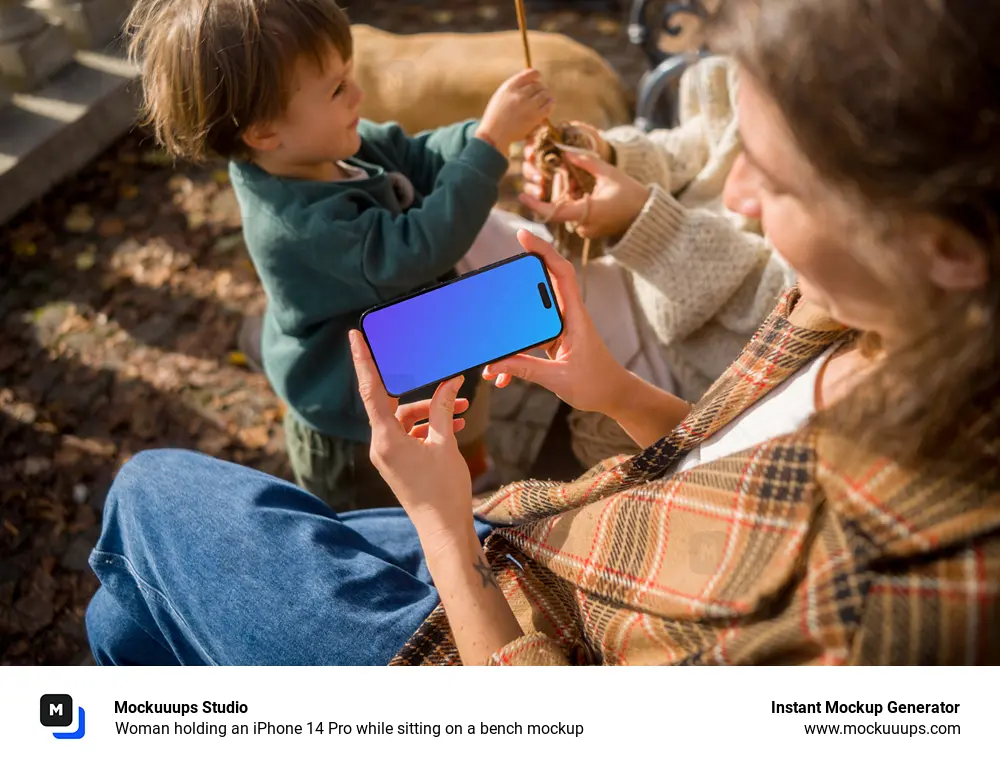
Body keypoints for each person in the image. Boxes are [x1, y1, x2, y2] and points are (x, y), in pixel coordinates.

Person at [88, 0, 999, 665]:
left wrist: (444, 530)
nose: (741, 205)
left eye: (779, 183)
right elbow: (721, 471)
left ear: (948, 247)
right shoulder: (852, 312)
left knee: (144, 496)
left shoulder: (890, 611)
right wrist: (613, 393)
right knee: (127, 611)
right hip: (528, 535)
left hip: (477, 633)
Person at [125, 0, 553, 509]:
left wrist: (479, 135)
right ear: (264, 131)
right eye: (336, 88)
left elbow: (416, 153)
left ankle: (471, 473)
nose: (358, 94)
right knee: (394, 519)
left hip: (411, 342)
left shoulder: (325, 144)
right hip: (357, 428)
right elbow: (414, 248)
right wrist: (489, 144)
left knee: (468, 382)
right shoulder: (300, 226)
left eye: (347, 75)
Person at [519, 54, 797, 465]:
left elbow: (787, 306)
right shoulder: (759, 47)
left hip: (706, 366)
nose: (734, 192)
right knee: (490, 259)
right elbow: (702, 144)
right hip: (638, 286)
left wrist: (644, 223)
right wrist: (608, 157)